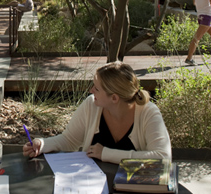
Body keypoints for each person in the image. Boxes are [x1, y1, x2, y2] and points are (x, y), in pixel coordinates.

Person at [23, 61, 171, 164]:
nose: (91, 91)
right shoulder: (91, 105)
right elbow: (69, 140)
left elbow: (162, 157)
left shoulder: (148, 113)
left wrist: (106, 154)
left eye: (97, 88)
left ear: (114, 98)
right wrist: (42, 145)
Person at [184, 0, 211, 66]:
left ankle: (189, 58)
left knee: (197, 37)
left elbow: (194, 2)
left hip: (200, 15)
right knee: (197, 38)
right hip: (207, 15)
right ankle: (189, 58)